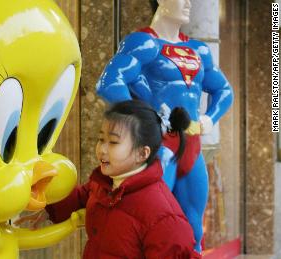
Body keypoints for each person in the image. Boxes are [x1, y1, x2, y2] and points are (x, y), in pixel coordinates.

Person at [95, 0, 234, 252]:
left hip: (191, 146)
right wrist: (148, 117)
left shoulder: (199, 50)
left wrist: (209, 118)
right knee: (149, 222)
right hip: (157, 147)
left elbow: (224, 89)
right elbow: (108, 83)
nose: (189, 3)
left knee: (193, 226)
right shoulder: (143, 43)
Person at [41, 100, 200, 259]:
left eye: (113, 142)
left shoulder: (164, 218)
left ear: (142, 153)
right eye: (101, 139)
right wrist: (47, 196)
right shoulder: (104, 183)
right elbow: (80, 198)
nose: (101, 149)